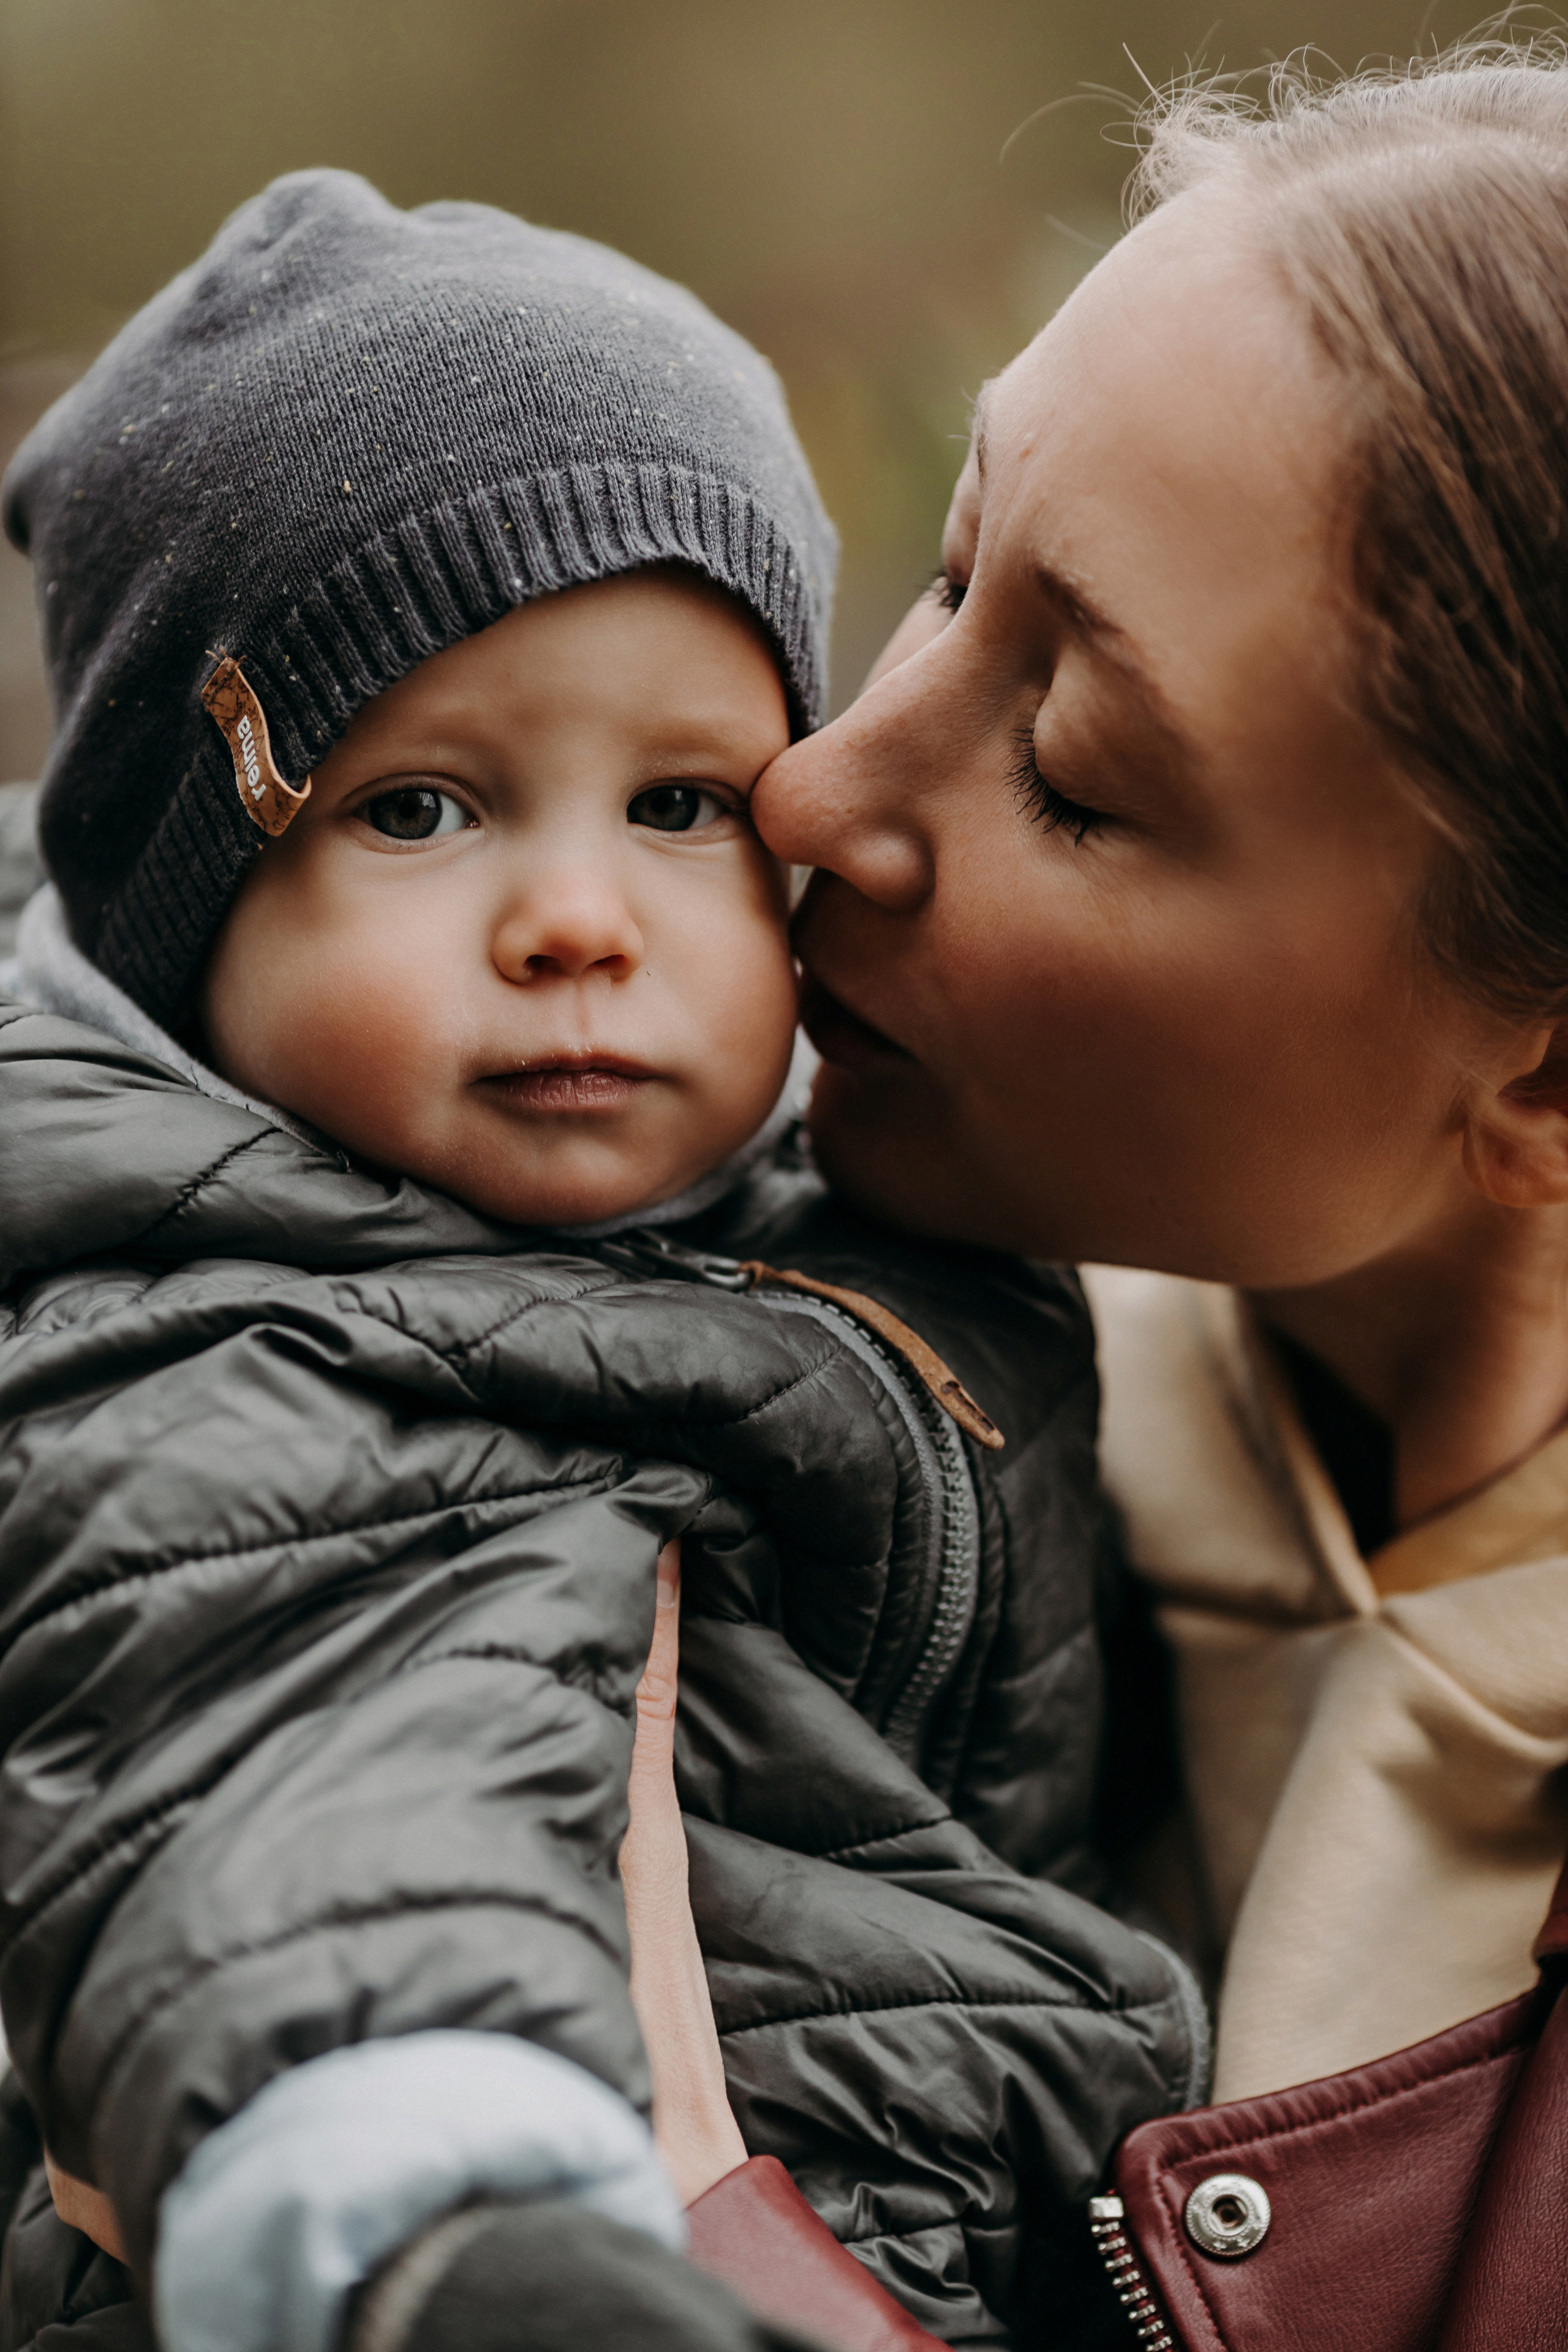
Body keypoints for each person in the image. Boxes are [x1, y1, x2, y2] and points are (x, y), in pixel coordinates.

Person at [0, 172, 1204, 2352]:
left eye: (679, 805)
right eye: (420, 810)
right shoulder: (220, 1347)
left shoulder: (834, 1227)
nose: (580, 918)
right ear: (186, 930)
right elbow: (297, 1792)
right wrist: (449, 2236)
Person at [670, 31, 1568, 2240]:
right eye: (953, 570)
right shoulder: (653, 1289)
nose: (816, 792)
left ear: (1545, 1076)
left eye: (1071, 768)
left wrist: (668, 2215)